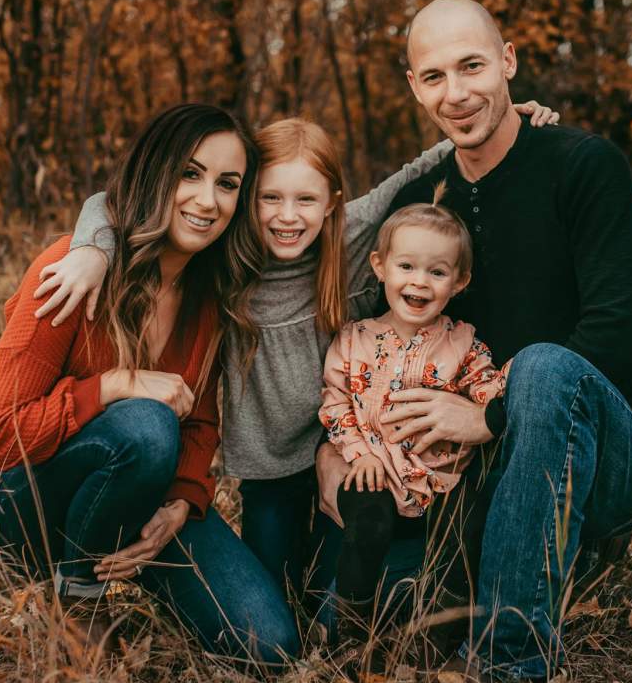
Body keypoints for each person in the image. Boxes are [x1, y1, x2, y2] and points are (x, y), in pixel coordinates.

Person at [36, 106, 558, 628]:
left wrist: (506, 117)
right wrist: (91, 251)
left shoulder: (351, 237)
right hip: (268, 469)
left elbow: (419, 167)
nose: (288, 216)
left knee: (336, 608)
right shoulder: (229, 254)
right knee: (276, 620)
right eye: (271, 198)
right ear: (248, 199)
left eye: (306, 200)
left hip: (347, 451)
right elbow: (108, 204)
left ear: (331, 204)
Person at [314, 0, 632, 683]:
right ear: (414, 86)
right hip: (463, 475)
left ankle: (510, 658)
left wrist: (488, 416)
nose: (456, 93)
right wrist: (331, 451)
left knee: (542, 367)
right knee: (361, 607)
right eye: (434, 76)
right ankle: (508, 571)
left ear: (508, 61)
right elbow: (355, 335)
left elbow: (617, 336)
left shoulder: (585, 166)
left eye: (472, 66)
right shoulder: (420, 205)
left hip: (610, 455)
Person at [0, 103, 300, 666]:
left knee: (268, 645)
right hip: (23, 505)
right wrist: (116, 383)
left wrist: (181, 502)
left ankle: (113, 552)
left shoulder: (209, 294)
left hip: (140, 491)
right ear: (156, 172)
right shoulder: (70, 270)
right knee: (147, 424)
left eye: (227, 184)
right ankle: (78, 597)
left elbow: (200, 421)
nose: (207, 200)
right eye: (190, 174)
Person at [319, 189, 507, 666]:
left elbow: (489, 391)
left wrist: (501, 392)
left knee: (465, 529)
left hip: (441, 480)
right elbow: (336, 402)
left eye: (437, 272)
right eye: (406, 267)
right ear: (380, 266)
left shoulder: (463, 344)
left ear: (459, 281)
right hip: (372, 470)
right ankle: (353, 633)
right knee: (368, 521)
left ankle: (435, 635)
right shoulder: (354, 338)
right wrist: (358, 453)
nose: (419, 282)